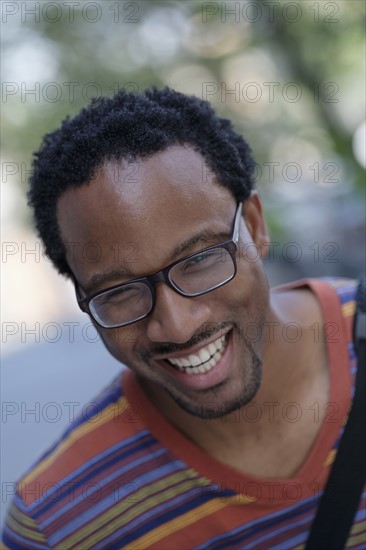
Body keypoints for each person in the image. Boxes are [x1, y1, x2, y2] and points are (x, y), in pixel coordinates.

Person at [2, 88, 363, 549]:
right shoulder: (57, 522)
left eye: (200, 259)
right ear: (82, 299)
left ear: (254, 226)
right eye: (118, 291)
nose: (176, 326)